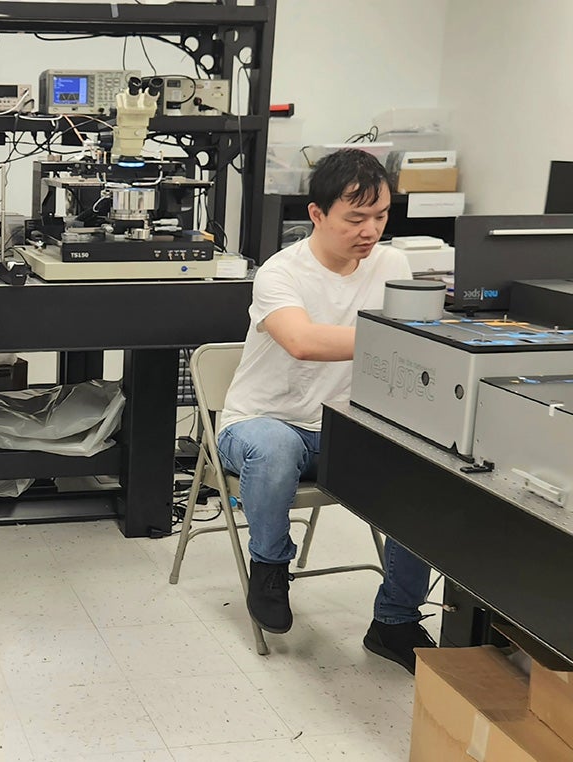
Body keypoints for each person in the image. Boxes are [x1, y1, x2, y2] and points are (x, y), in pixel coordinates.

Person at [216, 148, 435, 673]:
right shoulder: (280, 272)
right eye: (355, 218)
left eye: (380, 217)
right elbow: (303, 342)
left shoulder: (394, 264)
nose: (370, 231)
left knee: (429, 475)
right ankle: (270, 568)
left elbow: (422, 340)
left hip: (346, 429)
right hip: (262, 423)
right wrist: (392, 336)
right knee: (274, 449)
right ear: (317, 215)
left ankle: (395, 621)